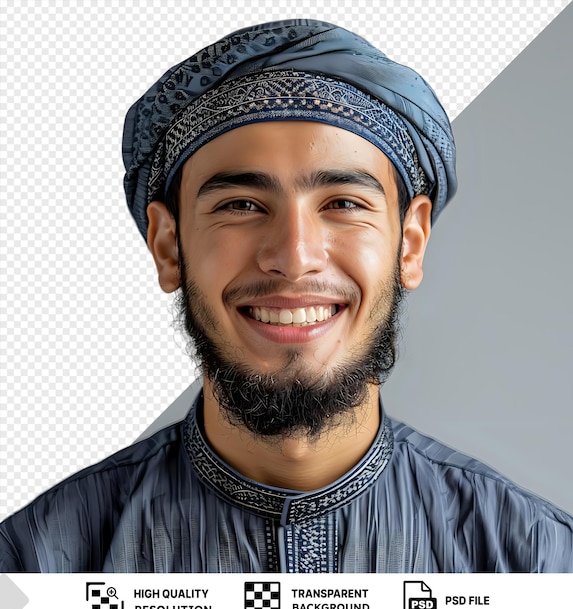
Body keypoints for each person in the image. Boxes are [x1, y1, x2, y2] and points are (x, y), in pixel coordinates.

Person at [1, 18, 572, 573]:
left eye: (344, 204)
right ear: (169, 245)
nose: (295, 256)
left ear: (411, 243)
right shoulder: (34, 566)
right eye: (241, 206)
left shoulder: (541, 564)